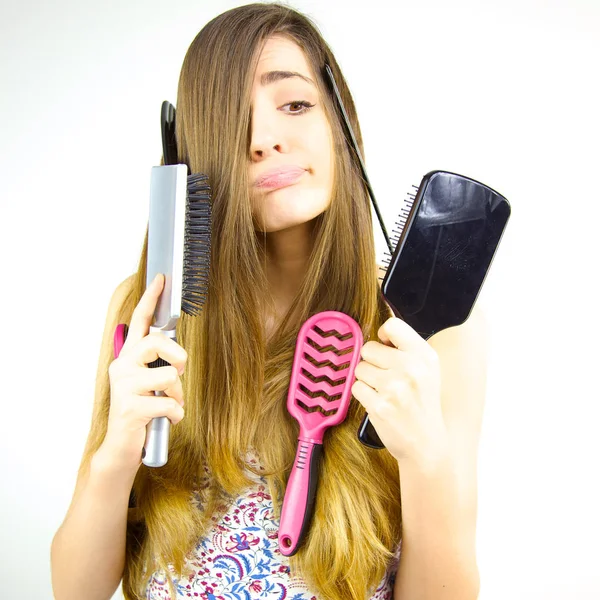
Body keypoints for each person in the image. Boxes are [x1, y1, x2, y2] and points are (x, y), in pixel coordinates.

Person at [50, 3, 487, 599]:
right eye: (233, 122)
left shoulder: (424, 334)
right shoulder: (149, 314)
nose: (262, 140)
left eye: (295, 104)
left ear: (340, 121)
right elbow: (75, 592)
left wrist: (425, 461)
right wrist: (115, 455)